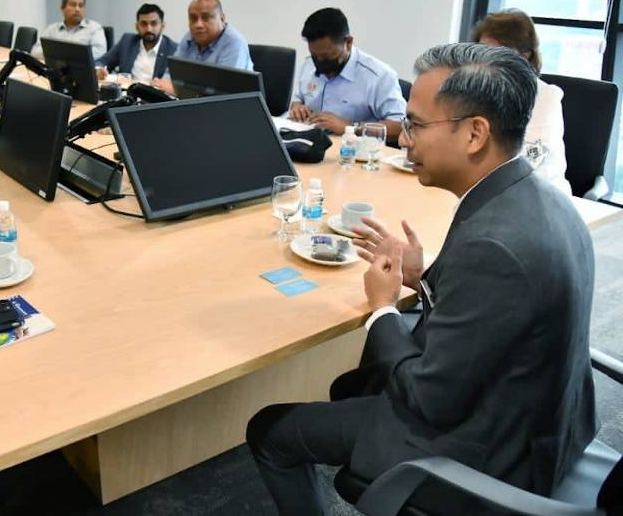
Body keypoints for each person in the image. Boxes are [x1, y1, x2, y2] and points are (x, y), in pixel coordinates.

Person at [247, 42, 595, 515]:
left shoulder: (493, 244)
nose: (404, 138)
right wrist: (421, 279)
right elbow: (496, 318)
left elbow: (427, 398)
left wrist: (384, 307)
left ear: (475, 134)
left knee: (270, 430)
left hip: (491, 450)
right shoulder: (539, 197)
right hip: (539, 413)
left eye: (416, 124)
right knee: (351, 386)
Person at [472, 8, 571, 196]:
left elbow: (530, 157)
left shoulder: (546, 97)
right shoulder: (478, 90)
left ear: (525, 55)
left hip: (540, 197)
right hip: (490, 192)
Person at [288, 7, 405, 138]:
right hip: (308, 144)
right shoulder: (309, 64)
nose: (320, 62)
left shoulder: (378, 76)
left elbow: (401, 126)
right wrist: (297, 108)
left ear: (348, 43)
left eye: (327, 57)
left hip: (354, 151)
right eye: (315, 56)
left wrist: (351, 127)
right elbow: (298, 99)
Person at [95, 3, 178, 88]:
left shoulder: (173, 50)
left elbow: (177, 85)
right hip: (127, 95)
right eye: (143, 24)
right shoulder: (127, 41)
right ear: (137, 26)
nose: (149, 29)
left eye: (153, 23)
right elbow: (102, 61)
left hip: (154, 98)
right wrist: (99, 69)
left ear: (163, 26)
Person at [172, 0, 253, 70]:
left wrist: (175, 84)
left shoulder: (234, 42)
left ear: (222, 19)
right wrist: (163, 83)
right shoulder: (190, 37)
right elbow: (171, 72)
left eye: (206, 18)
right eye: (193, 18)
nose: (198, 25)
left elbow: (225, 82)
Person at [32, 0, 107, 59]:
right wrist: (64, 53)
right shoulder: (52, 29)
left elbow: (99, 53)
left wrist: (61, 53)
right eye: (73, 5)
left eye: (81, 6)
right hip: (55, 70)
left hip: (81, 69)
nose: (77, 9)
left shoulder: (94, 28)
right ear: (62, 8)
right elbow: (35, 52)